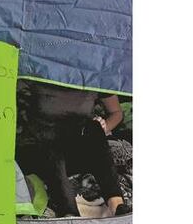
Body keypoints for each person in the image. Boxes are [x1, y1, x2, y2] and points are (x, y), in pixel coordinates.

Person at [16, 83, 131, 217]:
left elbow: (116, 113)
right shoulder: (39, 70)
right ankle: (69, 211)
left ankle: (116, 204)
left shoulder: (93, 74)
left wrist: (104, 127)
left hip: (75, 149)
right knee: (50, 138)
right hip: (42, 148)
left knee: (94, 127)